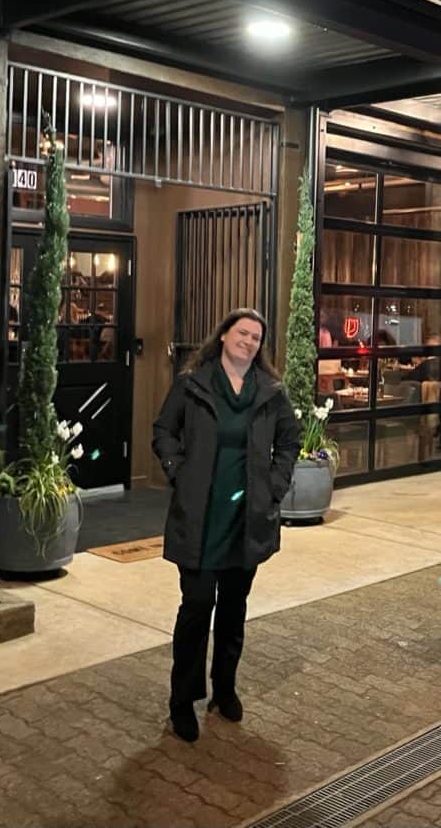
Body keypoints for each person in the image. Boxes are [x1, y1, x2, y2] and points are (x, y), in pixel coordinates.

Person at [152, 308, 300, 743]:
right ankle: (182, 701)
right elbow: (164, 430)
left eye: (256, 337)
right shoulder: (192, 384)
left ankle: (225, 689)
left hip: (247, 519)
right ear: (223, 336)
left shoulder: (270, 391)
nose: (249, 341)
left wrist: (275, 486)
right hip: (199, 519)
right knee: (197, 608)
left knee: (234, 609)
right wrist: (179, 471)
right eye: (242, 333)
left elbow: (289, 441)